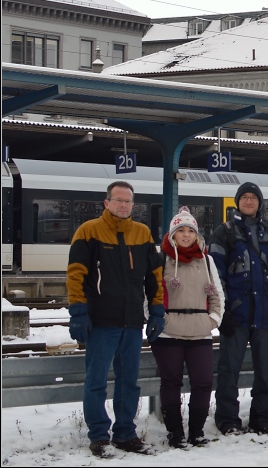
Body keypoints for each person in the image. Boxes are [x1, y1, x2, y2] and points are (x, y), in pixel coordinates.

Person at [66, 181, 164, 457]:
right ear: (106, 203)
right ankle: (98, 435)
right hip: (100, 322)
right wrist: (78, 312)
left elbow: (154, 278)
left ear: (134, 205)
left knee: (128, 381)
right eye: (118, 200)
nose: (124, 205)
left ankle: (125, 433)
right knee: (96, 381)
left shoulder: (143, 234)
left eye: (128, 201)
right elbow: (76, 275)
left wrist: (157, 310)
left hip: (132, 323)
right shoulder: (89, 231)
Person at [209, 181, 268, 436]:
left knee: (265, 373)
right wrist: (222, 310)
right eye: (244, 197)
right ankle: (227, 421)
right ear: (237, 202)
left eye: (253, 197)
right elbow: (215, 275)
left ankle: (262, 420)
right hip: (235, 316)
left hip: (266, 314)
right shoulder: (223, 233)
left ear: (260, 203)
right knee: (229, 371)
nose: (249, 201)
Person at [152, 206, 225, 448]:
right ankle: (175, 433)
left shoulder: (206, 260)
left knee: (203, 382)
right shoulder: (161, 258)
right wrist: (159, 320)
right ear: (172, 234)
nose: (186, 235)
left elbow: (217, 295)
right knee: (171, 383)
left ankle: (197, 432)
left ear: (197, 234)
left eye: (190, 230)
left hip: (200, 332)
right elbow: (150, 294)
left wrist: (213, 320)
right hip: (168, 331)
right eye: (180, 230)